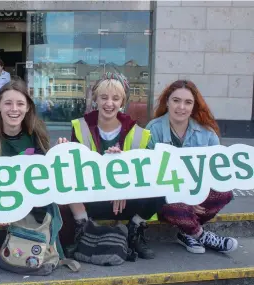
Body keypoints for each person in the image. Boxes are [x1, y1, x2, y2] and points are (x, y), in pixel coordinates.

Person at [59, 72, 165, 260]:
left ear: (122, 101)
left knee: (162, 185)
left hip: (125, 200)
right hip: (92, 198)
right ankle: (82, 229)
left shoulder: (139, 132)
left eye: (115, 98)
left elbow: (146, 171)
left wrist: (122, 182)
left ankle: (135, 229)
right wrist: (63, 151)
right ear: (95, 100)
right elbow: (76, 168)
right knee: (65, 180)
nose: (109, 103)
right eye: (104, 97)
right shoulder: (80, 126)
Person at [146, 80, 237, 254]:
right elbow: (150, 175)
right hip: (166, 195)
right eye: (176, 100)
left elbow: (216, 174)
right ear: (167, 102)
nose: (181, 107)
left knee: (225, 192)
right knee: (170, 203)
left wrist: (194, 197)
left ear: (194, 106)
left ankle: (186, 232)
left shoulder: (207, 133)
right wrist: (184, 198)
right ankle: (200, 235)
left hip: (196, 193)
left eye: (188, 102)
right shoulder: (154, 129)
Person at [0, 79, 49, 162]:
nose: (14, 109)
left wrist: (59, 151)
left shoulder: (37, 129)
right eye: (8, 103)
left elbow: (42, 165)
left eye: (20, 104)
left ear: (27, 107)